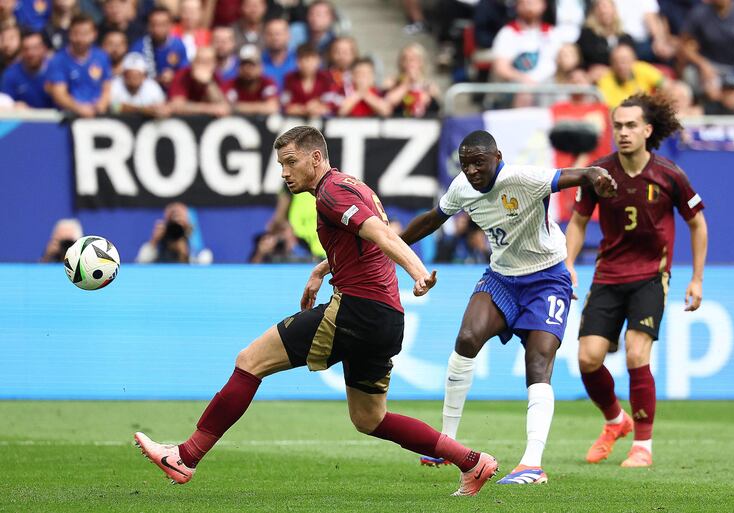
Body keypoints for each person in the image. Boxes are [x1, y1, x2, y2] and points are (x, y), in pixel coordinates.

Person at [133, 125, 500, 497]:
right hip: (387, 318)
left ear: (316, 158)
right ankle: (472, 461)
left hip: (357, 310)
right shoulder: (351, 185)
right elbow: (361, 241)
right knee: (369, 418)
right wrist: (322, 269)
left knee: (250, 361)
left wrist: (418, 272)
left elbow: (383, 236)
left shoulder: (331, 193)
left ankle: (186, 456)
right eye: (280, 164)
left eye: (291, 162)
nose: (284, 172)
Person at [399, 130, 617, 484]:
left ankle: (532, 464)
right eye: (465, 163)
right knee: (466, 339)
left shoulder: (524, 178)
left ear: (497, 157)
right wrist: (388, 243)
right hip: (501, 277)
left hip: (547, 279)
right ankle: (446, 442)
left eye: (478, 162)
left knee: (538, 362)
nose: (471, 170)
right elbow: (431, 219)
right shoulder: (461, 187)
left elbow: (576, 175)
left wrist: (596, 175)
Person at [565, 93, 708, 468]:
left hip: (649, 275)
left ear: (647, 130)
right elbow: (578, 221)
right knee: (588, 358)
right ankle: (615, 421)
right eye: (618, 126)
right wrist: (568, 263)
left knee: (635, 352)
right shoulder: (598, 173)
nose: (623, 133)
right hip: (607, 275)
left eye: (631, 126)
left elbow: (697, 224)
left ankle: (643, 445)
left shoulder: (669, 174)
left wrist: (696, 278)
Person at [46, 14, 111, 117]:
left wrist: (102, 103)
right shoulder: (59, 60)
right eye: (76, 33)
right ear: (69, 34)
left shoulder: (102, 57)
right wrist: (79, 108)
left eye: (85, 34)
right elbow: (59, 93)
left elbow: (107, 86)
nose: (80, 39)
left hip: (98, 115)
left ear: (94, 34)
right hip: (69, 117)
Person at [130, 6, 189, 89]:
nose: (158, 29)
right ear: (148, 26)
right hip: (145, 93)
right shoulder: (139, 46)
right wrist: (157, 79)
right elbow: (131, 77)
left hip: (171, 91)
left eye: (162, 24)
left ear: (170, 25)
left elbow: (185, 73)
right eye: (154, 24)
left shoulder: (178, 45)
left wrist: (174, 76)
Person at [597, 43, 665, 109]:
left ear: (633, 59)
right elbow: (609, 109)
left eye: (624, 60)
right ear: (611, 64)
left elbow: (666, 85)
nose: (621, 66)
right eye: (616, 61)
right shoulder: (605, 80)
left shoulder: (642, 69)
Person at [168, 46, 231, 116]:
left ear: (214, 64)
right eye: (199, 60)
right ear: (193, 63)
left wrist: (209, 83)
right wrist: (210, 109)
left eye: (207, 61)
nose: (202, 65)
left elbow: (224, 107)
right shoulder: (182, 75)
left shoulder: (216, 77)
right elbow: (177, 106)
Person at [1, 30, 53, 108]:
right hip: (22, 118)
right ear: (21, 51)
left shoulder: (56, 70)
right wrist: (13, 106)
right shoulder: (11, 74)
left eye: (35, 48)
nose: (31, 53)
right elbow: (4, 105)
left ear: (44, 49)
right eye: (26, 49)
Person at [110, 51, 168, 116]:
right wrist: (142, 110)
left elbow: (162, 108)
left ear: (144, 76)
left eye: (137, 75)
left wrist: (157, 110)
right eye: (130, 75)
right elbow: (113, 107)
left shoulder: (152, 87)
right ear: (124, 75)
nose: (133, 79)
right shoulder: (115, 85)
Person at [227, 43, 279, 115]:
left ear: (260, 67)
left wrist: (238, 107)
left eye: (252, 65)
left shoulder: (267, 82)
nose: (247, 69)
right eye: (243, 64)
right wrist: (260, 107)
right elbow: (225, 107)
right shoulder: (232, 84)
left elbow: (272, 107)